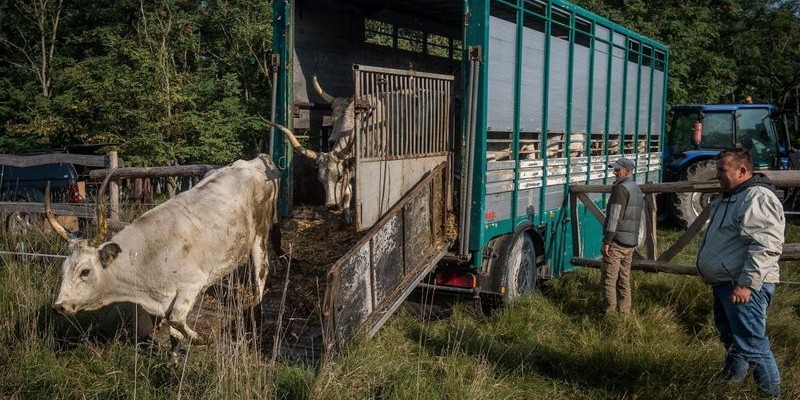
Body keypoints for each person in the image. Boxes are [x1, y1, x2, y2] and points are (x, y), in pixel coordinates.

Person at [696, 148, 784, 398]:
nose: (718, 175)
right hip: (727, 283)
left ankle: (771, 395)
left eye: (722, 170)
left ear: (742, 171)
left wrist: (746, 284)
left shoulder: (756, 197)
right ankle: (729, 386)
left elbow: (765, 245)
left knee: (753, 345)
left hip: (743, 286)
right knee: (735, 342)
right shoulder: (733, 196)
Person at [601, 157, 644, 314]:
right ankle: (624, 312)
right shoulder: (637, 190)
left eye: (617, 170)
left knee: (609, 280)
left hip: (617, 242)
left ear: (627, 171)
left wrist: (607, 240)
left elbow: (615, 217)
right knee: (624, 279)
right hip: (630, 243)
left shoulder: (621, 189)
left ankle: (609, 313)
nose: (614, 172)